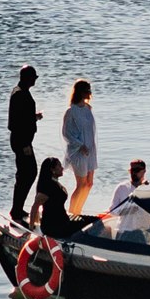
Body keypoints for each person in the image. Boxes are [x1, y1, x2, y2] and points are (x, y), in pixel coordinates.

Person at [7, 63, 42, 222]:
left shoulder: (21, 92)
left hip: (23, 141)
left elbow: (22, 118)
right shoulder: (20, 94)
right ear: (27, 78)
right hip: (22, 142)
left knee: (26, 174)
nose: (35, 81)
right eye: (33, 78)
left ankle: (17, 208)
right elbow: (15, 123)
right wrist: (25, 145)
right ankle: (16, 210)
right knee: (27, 174)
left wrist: (33, 117)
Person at [61, 80, 98, 216]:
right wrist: (79, 145)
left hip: (90, 150)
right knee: (81, 184)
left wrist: (90, 147)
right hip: (78, 151)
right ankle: (72, 213)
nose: (89, 92)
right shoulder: (71, 111)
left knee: (89, 183)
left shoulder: (88, 109)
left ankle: (79, 211)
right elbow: (66, 133)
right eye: (87, 90)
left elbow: (91, 130)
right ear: (80, 92)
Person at [30, 157, 75, 239]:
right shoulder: (47, 187)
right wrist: (30, 229)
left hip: (63, 221)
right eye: (59, 166)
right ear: (52, 170)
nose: (62, 168)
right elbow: (35, 207)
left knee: (91, 221)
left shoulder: (55, 183)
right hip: (53, 227)